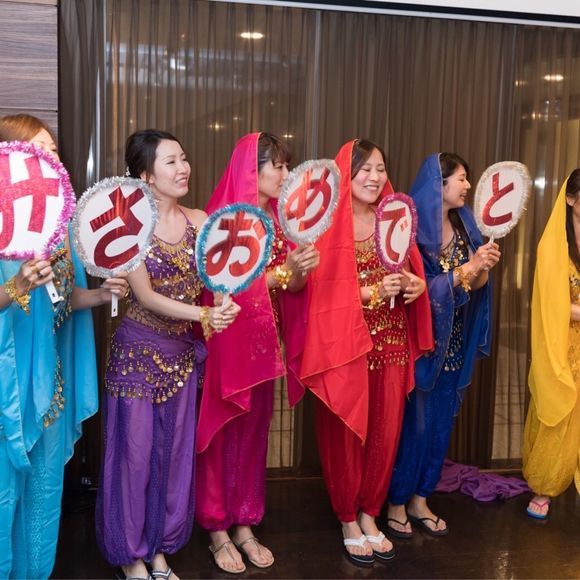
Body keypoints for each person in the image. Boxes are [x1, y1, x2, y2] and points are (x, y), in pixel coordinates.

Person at [95, 129, 240, 580]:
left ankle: (158, 549)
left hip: (181, 357)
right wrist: (204, 314)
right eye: (171, 162)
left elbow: (217, 278)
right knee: (135, 457)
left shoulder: (200, 220)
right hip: (137, 355)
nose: (183, 168)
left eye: (184, 158)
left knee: (172, 457)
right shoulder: (131, 226)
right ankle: (130, 556)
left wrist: (222, 301)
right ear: (145, 175)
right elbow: (146, 296)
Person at [0, 113, 128, 579]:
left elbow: (60, 299)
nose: (52, 158)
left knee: (45, 492)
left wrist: (101, 295)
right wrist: (16, 285)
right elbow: (16, 294)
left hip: (48, 382)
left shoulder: (58, 223)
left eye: (54, 150)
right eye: (40, 150)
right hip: (7, 383)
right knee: (4, 495)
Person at [300, 139, 433, 566]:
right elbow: (319, 294)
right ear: (346, 174)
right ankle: (347, 517)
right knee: (345, 433)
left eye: (380, 169)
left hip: (390, 342)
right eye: (365, 170)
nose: (375, 177)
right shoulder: (326, 225)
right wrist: (372, 291)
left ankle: (370, 512)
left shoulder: (392, 218)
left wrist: (415, 284)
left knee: (385, 429)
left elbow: (409, 270)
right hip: (344, 347)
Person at [195, 132, 319, 574]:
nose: (285, 174)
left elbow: (291, 287)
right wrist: (282, 274)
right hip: (227, 341)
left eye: (286, 165)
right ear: (253, 169)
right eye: (277, 165)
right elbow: (221, 285)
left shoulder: (282, 221)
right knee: (222, 430)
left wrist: (298, 272)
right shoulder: (225, 217)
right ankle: (216, 527)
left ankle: (245, 520)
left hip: (266, 343)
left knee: (254, 432)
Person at [387, 153, 500, 537]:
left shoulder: (465, 225)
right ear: (440, 184)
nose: (467, 186)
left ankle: (420, 498)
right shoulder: (412, 230)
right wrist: (468, 268)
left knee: (440, 426)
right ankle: (396, 502)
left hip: (454, 340)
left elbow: (475, 286)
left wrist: (481, 266)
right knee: (414, 428)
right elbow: (420, 290)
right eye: (461, 178)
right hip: (420, 343)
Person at [523, 169, 580, 519]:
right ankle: (544, 486)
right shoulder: (553, 247)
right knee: (558, 408)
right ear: (571, 199)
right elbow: (550, 302)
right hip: (562, 342)